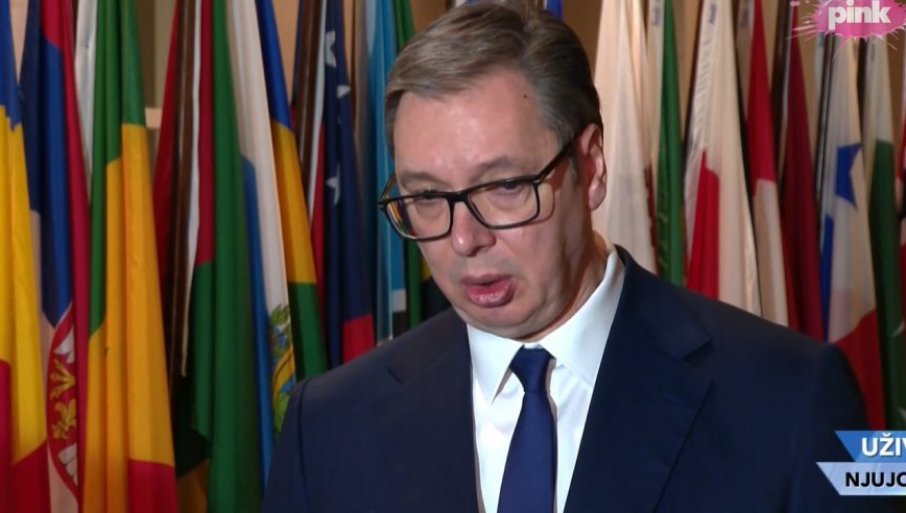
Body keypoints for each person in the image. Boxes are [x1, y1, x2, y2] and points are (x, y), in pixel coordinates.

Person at [263, 2, 898, 511]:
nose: (464, 241)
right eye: (427, 198)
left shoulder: (800, 393)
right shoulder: (327, 426)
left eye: (504, 186)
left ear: (590, 166)